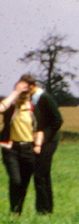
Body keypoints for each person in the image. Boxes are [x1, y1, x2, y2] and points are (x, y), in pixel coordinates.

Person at [2, 76, 61, 215]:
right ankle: (20, 210)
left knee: (34, 178)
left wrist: (39, 143)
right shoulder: (13, 106)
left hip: (34, 146)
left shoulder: (38, 103)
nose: (23, 94)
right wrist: (15, 93)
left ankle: (42, 210)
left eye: (25, 90)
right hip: (14, 147)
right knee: (20, 180)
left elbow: (52, 122)